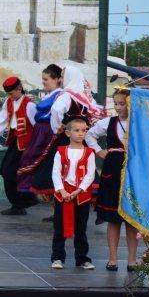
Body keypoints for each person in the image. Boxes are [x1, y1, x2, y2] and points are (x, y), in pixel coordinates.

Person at [29, 64, 106, 199]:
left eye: (63, 76)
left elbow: (56, 110)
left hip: (67, 139)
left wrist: (57, 128)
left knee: (60, 169)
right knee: (81, 168)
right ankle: (78, 200)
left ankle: (62, 204)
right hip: (81, 140)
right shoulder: (85, 96)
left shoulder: (66, 95)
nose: (60, 79)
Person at [86, 88, 139, 271]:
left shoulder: (139, 123)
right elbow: (89, 135)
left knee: (132, 220)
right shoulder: (108, 122)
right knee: (113, 218)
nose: (118, 107)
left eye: (122, 103)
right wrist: (99, 151)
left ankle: (132, 260)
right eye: (115, 103)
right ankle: (113, 259)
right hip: (113, 171)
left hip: (133, 170)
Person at [0, 76, 37, 215]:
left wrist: (37, 146)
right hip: (15, 142)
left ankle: (21, 203)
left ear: (19, 88)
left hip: (27, 145)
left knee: (10, 172)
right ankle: (25, 200)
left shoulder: (29, 105)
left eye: (12, 93)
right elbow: (1, 120)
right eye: (8, 94)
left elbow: (37, 126)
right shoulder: (8, 102)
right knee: (6, 171)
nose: (10, 96)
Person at [50, 116, 97, 270]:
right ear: (68, 133)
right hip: (62, 194)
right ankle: (57, 258)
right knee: (59, 228)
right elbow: (55, 172)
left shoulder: (89, 152)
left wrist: (78, 190)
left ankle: (82, 258)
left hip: (81, 196)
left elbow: (90, 175)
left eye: (83, 130)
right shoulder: (61, 151)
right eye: (76, 130)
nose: (80, 134)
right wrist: (62, 190)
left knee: (81, 229)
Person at [16, 64, 64, 197]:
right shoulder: (48, 96)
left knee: (42, 161)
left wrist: (56, 130)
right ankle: (40, 192)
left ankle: (49, 195)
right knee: (31, 159)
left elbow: (57, 115)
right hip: (40, 131)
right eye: (43, 79)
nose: (43, 82)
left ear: (57, 79)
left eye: (46, 79)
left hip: (48, 131)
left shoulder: (60, 95)